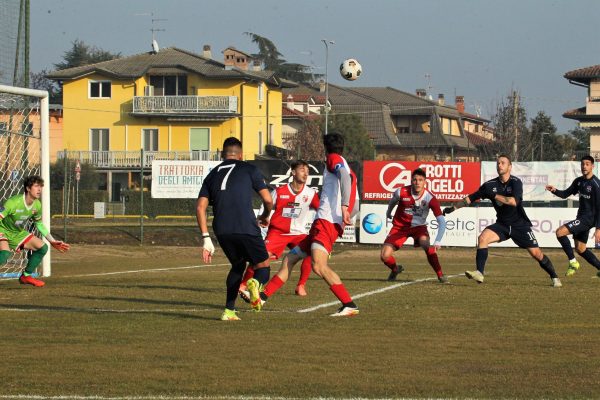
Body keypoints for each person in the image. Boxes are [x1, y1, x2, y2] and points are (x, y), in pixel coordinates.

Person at [247, 132, 360, 317]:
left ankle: (349, 304)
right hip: (324, 223)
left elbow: (345, 181)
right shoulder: (347, 165)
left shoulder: (333, 158)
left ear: (326, 147)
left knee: (318, 266)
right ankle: (262, 297)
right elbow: (354, 196)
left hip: (326, 222)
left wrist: (344, 208)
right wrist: (348, 212)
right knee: (289, 259)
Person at [443, 154, 562, 287]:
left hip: (519, 225)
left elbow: (513, 202)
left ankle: (554, 277)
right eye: (498, 163)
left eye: (503, 163)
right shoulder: (489, 185)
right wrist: (453, 208)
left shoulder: (516, 182)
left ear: (510, 167)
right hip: (502, 225)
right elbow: (470, 198)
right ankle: (480, 273)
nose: (499, 165)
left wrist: (493, 195)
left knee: (537, 254)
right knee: (483, 238)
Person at [196, 137, 273, 321]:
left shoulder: (212, 174)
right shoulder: (249, 169)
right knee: (263, 266)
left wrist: (206, 238)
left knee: (238, 266)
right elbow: (268, 200)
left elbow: (200, 208)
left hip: (222, 230)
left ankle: (229, 311)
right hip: (245, 225)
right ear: (240, 154)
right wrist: (264, 217)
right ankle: (254, 284)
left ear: (223, 155)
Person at [238, 160, 319, 300]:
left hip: (298, 234)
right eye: (302, 170)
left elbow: (322, 210)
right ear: (293, 172)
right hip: (278, 232)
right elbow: (266, 205)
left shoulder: (311, 193)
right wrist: (263, 218)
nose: (305, 173)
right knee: (260, 256)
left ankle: (301, 286)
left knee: (313, 251)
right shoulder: (279, 191)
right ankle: (243, 285)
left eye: (307, 171)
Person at [0, 175, 70, 286]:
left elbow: (39, 224)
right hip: (2, 229)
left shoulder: (37, 205)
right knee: (4, 254)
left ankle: (26, 276)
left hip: (17, 233)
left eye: (41, 186)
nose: (39, 189)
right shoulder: (13, 202)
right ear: (28, 188)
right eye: (36, 186)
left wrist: (52, 241)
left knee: (43, 247)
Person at [381, 168, 448, 283]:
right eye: (415, 180)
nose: (417, 183)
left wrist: (438, 241)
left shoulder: (430, 198)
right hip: (400, 227)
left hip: (419, 228)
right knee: (384, 256)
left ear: (425, 182)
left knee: (426, 244)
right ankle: (395, 269)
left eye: (420, 180)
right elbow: (392, 201)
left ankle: (440, 274)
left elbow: (441, 221)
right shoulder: (401, 192)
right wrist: (388, 212)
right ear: (411, 181)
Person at [546, 155, 600, 277]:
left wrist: (598, 228)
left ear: (592, 166)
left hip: (588, 219)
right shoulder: (579, 181)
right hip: (581, 218)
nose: (584, 166)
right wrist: (554, 190)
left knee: (560, 232)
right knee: (580, 249)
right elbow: (565, 194)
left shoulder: (596, 185)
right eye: (582, 164)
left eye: (587, 164)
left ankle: (573, 262)